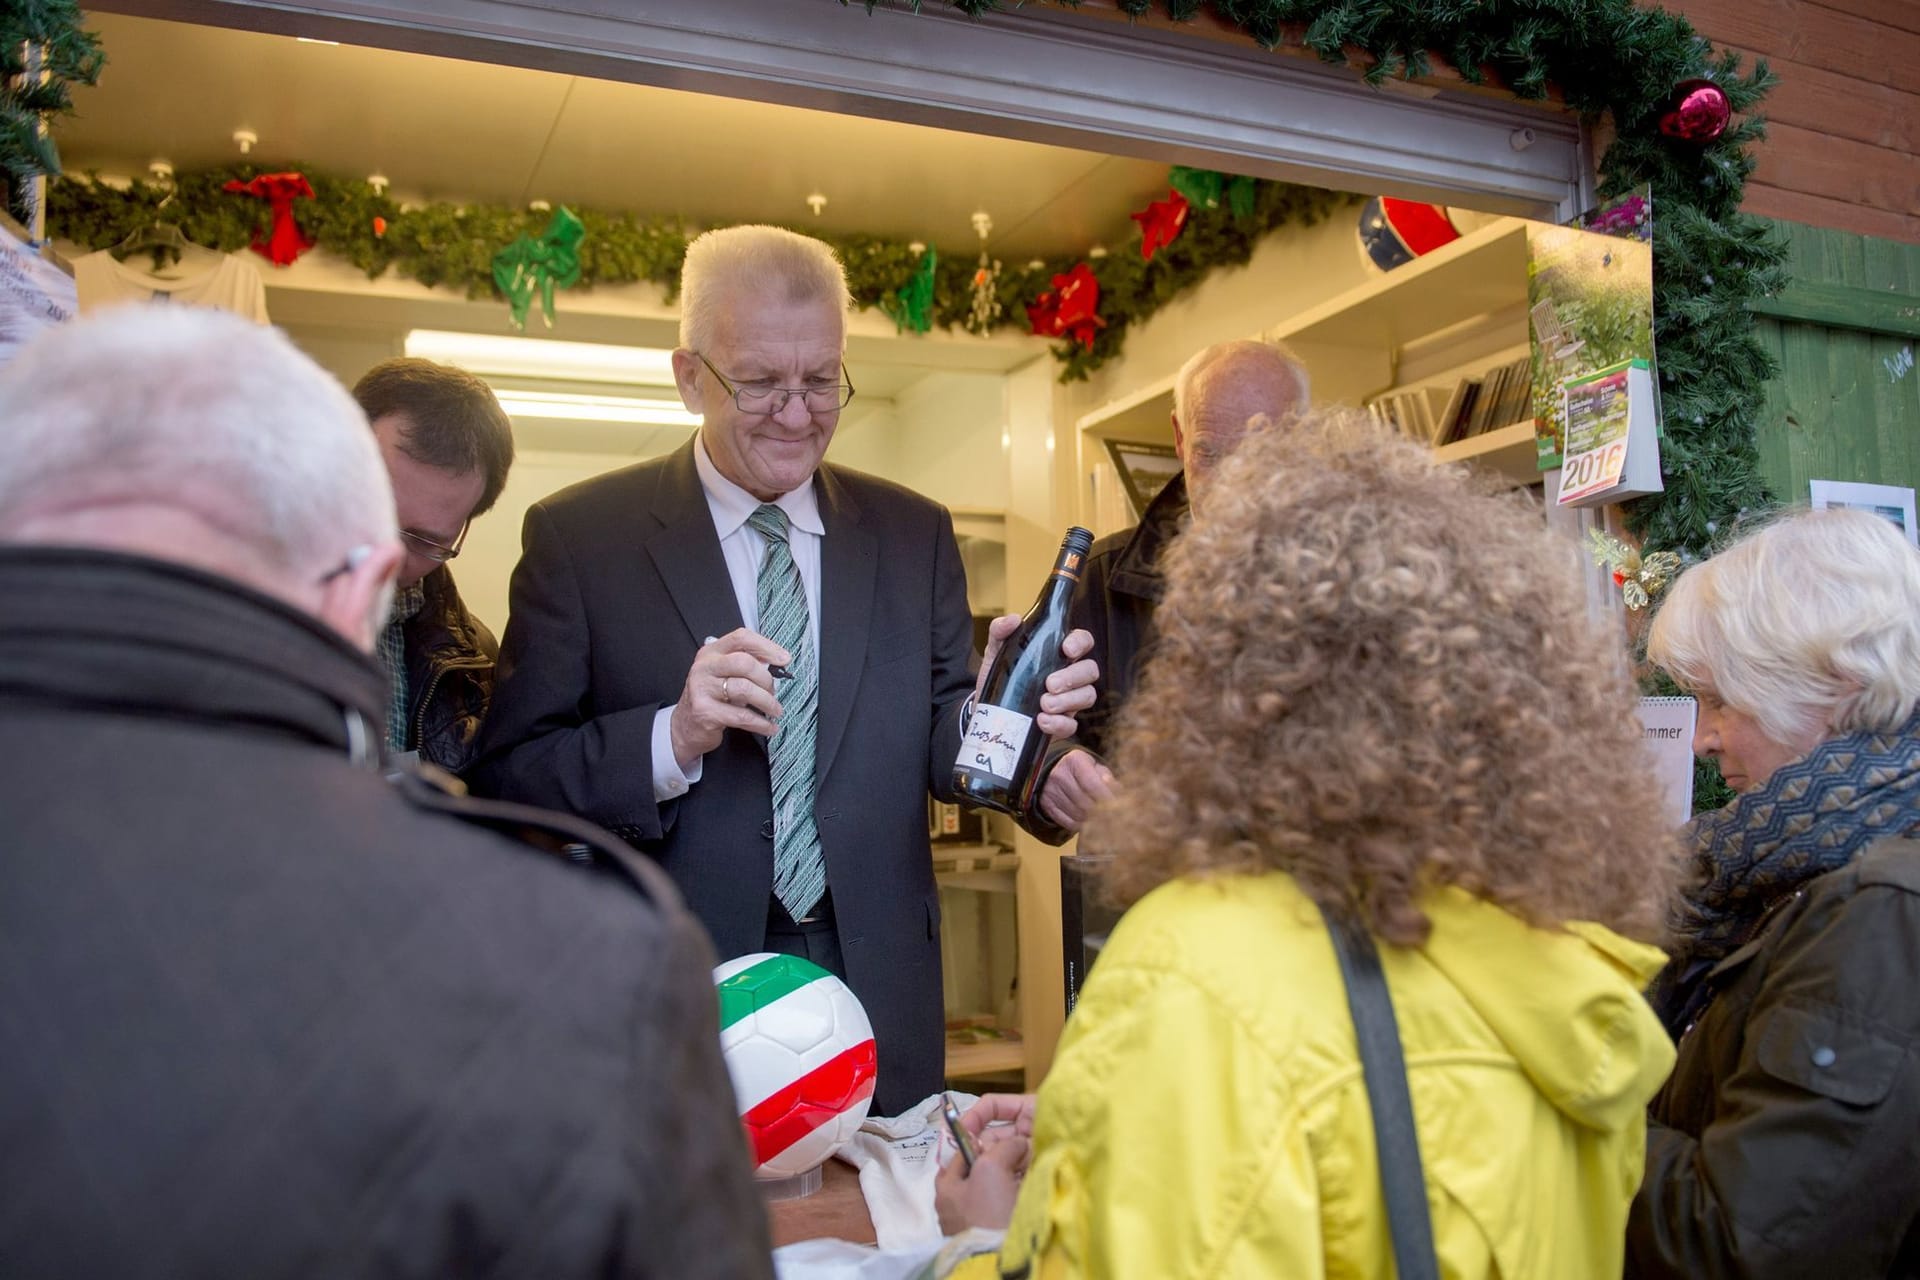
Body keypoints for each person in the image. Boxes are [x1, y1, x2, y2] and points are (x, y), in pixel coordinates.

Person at [0, 307, 771, 1280]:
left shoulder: (468, 660)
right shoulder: (606, 966)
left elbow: (506, 789)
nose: (406, 563)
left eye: (436, 542)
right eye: (388, 528)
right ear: (342, 563)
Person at [936, 408, 1680, 1278]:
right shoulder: (1575, 968)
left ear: (1228, 677)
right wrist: (1102, 1123)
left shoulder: (1191, 968)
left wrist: (981, 1240)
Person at [468, 225, 1098, 1115]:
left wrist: (1005, 708)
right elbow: (509, 777)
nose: (797, 416)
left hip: (878, 969)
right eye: (761, 382)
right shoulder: (581, 539)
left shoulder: (912, 532)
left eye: (820, 382)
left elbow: (940, 738)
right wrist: (671, 735)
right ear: (691, 376)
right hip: (675, 977)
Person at [1627, 507, 1920, 1277]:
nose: (1701, 737)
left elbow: (1743, 1247)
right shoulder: (1788, 858)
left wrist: (1561, 1109)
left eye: (1723, 699)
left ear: (1834, 685)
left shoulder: (1884, 913)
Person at [1040, 338, 1310, 833]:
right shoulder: (1100, 579)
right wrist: (1050, 771)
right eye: (1209, 454)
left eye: (1258, 456)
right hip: (1147, 892)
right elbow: (1029, 742)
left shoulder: (1363, 579)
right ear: (1180, 437)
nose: (1230, 486)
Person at [352, 357, 515, 773]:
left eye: (425, 541)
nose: (387, 553)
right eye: (376, 511)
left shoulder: (475, 658)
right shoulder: (227, 599)